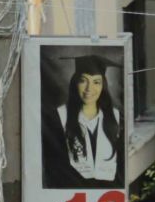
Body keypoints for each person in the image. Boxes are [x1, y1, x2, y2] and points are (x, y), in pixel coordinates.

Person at [50, 54, 123, 185]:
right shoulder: (60, 116)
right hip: (71, 190)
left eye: (96, 82)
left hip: (108, 193)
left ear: (103, 86)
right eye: (83, 81)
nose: (89, 88)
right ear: (75, 83)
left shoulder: (116, 117)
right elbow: (55, 163)